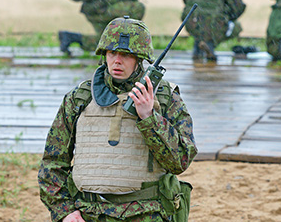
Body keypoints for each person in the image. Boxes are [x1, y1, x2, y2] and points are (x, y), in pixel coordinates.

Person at [39, 16, 198, 222]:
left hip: (146, 213)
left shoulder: (165, 98)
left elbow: (181, 161)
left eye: (126, 55)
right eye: (112, 52)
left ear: (140, 58)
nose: (117, 61)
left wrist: (149, 117)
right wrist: (65, 210)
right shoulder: (80, 98)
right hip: (88, 213)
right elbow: (53, 163)